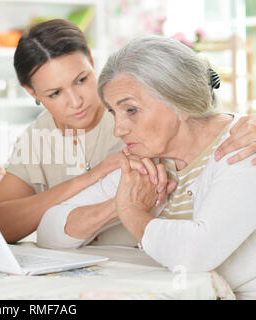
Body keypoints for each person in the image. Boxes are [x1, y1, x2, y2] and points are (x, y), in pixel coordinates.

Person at [0, 19, 256, 245]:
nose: (76, 101)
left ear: (91, 61)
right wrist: (90, 179)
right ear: (31, 92)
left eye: (82, 80)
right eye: (55, 93)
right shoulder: (40, 136)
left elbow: (202, 120)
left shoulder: (138, 116)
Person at [36, 35, 255, 299]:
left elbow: (195, 254)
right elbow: (49, 232)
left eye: (131, 110)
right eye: (113, 113)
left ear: (181, 100)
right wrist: (116, 206)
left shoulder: (243, 145)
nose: (118, 129)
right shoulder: (145, 158)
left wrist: (132, 212)